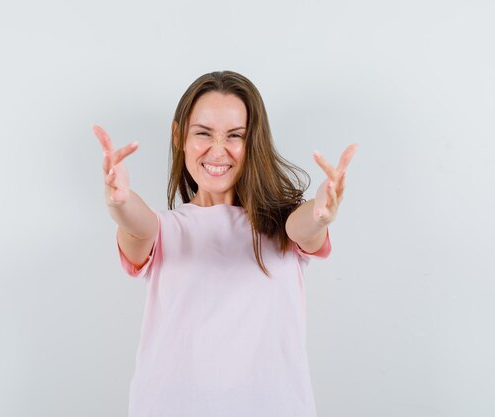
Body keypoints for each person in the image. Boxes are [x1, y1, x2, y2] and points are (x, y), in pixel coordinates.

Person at [93, 70, 357, 417]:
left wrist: (321, 213)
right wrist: (120, 203)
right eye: (203, 133)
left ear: (253, 143)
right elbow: (139, 226)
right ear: (179, 136)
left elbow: (304, 226)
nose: (218, 150)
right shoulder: (164, 230)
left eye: (235, 136)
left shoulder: (282, 228)